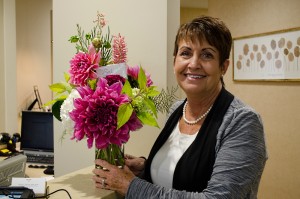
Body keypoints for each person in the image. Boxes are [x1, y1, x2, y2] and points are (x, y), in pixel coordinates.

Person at [92, 15, 268, 198]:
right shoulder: (177, 109)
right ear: (175, 60)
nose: (193, 64)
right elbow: (184, 174)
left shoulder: (243, 122)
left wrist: (131, 186)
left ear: (223, 66)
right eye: (186, 53)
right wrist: (147, 166)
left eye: (207, 55)